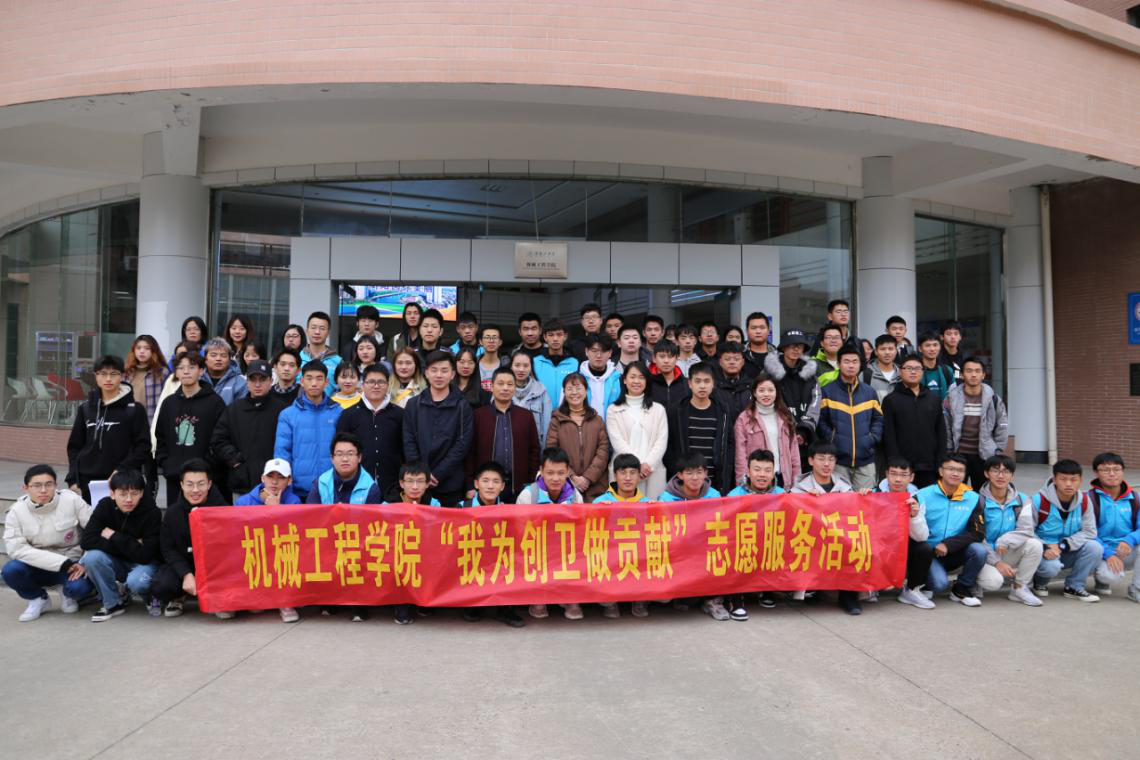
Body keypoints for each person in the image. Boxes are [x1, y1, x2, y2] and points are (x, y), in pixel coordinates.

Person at [2, 464, 93, 622]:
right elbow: (16, 549)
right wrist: (62, 564)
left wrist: (85, 561)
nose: (43, 490)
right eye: (37, 485)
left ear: (56, 485)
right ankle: (38, 599)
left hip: (73, 563)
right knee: (11, 570)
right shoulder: (16, 511)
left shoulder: (71, 500)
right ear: (25, 488)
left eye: (48, 484)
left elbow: (94, 530)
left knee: (80, 588)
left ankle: (66, 592)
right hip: (38, 564)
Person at [65, 354, 152, 503]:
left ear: (122, 376)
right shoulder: (86, 409)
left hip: (122, 483)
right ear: (96, 376)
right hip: (87, 483)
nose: (108, 379)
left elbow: (143, 447)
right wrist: (73, 479)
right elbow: (74, 447)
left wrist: (121, 470)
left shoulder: (134, 409)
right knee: (90, 519)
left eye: (113, 374)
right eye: (103, 374)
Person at [78, 468, 162, 621]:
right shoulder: (105, 506)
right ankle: (113, 603)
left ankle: (151, 597)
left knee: (136, 582)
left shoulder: (152, 513)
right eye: (123, 494)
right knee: (92, 557)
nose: (129, 499)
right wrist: (133, 544)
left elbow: (145, 555)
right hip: (120, 560)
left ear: (142, 493)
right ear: (112, 493)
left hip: (144, 564)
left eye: (134, 493)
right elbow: (87, 541)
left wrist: (113, 536)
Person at [152, 459, 229, 618]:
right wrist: (186, 574)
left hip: (215, 567)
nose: (195, 490)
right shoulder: (172, 513)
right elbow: (168, 549)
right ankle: (178, 597)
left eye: (201, 484)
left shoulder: (224, 510)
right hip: (185, 563)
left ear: (209, 484)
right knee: (162, 585)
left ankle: (220, 599)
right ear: (181, 485)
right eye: (189, 484)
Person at [456, 461, 526, 628]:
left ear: (502, 486)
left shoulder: (508, 511)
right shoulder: (461, 508)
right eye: (485, 481)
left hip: (499, 560)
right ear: (476, 484)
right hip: (472, 560)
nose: (490, 486)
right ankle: (474, 603)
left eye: (495, 482)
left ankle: (505, 608)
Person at [657, 452, 726, 620]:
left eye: (699, 472)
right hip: (679, 547)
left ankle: (713, 601)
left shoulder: (714, 496)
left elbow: (721, 525)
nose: (695, 478)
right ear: (680, 475)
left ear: (705, 474)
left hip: (706, 546)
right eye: (689, 473)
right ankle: (682, 595)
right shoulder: (666, 498)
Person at [1020, 459, 1101, 601]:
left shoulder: (1084, 500)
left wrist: (1064, 545)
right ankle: (1039, 583)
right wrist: (1045, 547)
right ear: (1054, 480)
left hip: (1067, 548)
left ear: (1080, 481)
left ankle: (1074, 587)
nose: (1069, 484)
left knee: (1095, 548)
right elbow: (1026, 530)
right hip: (1044, 551)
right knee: (1051, 567)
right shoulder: (1038, 500)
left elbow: (1090, 531)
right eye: (1063, 479)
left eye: (1073, 479)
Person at [518, 448, 585, 620]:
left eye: (561, 473)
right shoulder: (528, 495)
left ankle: (570, 598)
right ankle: (538, 597)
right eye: (550, 473)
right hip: (537, 550)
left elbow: (581, 531)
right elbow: (519, 533)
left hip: (566, 551)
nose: (555, 478)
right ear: (541, 470)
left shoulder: (575, 496)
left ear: (568, 472)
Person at [914, 454, 988, 607]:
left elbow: (977, 532)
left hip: (956, 551)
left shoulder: (974, 498)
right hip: (928, 553)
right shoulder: (923, 495)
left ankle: (961, 587)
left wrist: (948, 544)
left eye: (960, 470)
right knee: (939, 584)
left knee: (979, 550)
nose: (955, 473)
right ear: (941, 471)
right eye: (951, 469)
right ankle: (923, 582)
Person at [402, 351, 474, 507]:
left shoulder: (462, 406)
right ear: (426, 373)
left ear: (452, 374)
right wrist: (422, 474)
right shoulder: (413, 404)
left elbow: (463, 444)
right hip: (418, 485)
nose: (439, 375)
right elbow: (408, 440)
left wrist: (439, 473)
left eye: (444, 370)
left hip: (450, 483)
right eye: (434, 370)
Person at [154, 351, 227, 504]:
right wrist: (166, 463)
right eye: (181, 368)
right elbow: (160, 437)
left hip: (205, 480)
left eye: (191, 367)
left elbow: (221, 438)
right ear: (176, 373)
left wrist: (207, 467)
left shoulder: (215, 402)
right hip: (175, 477)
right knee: (177, 517)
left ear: (201, 371)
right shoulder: (169, 403)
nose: (186, 371)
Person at [211, 359, 288, 499]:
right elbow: (218, 439)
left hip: (275, 484)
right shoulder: (234, 409)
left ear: (271, 381)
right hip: (242, 484)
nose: (257, 384)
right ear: (247, 382)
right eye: (253, 379)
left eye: (262, 379)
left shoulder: (283, 410)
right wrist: (235, 460)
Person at [976, 455, 1044, 606]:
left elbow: (1026, 529)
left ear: (1012, 476)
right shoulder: (977, 501)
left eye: (1006, 471)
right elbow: (976, 537)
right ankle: (974, 581)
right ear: (986, 473)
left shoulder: (1022, 500)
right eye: (995, 470)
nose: (1001, 476)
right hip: (983, 555)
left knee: (1035, 544)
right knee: (993, 582)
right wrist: (996, 562)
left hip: (1005, 549)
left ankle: (1019, 588)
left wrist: (1004, 540)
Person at [465, 367, 540, 500]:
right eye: (500, 384)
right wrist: (470, 484)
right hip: (487, 487)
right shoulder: (478, 415)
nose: (505, 388)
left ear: (514, 388)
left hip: (519, 486)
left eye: (510, 384)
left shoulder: (526, 416)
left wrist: (531, 482)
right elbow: (470, 452)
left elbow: (534, 451)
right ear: (492, 386)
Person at [274, 360, 344, 499]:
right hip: (298, 491)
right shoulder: (288, 415)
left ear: (326, 382)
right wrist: (285, 485)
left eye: (319, 378)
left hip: (332, 489)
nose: (314, 383)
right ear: (301, 381)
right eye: (309, 378)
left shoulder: (338, 412)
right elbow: (282, 453)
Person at [382, 461, 440, 626]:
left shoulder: (435, 504)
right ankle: (402, 604)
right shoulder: (387, 505)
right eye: (410, 481)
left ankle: (424, 601)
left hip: (424, 552)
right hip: (397, 554)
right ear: (401, 483)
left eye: (420, 481)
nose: (415, 487)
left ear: (427, 484)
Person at [817, 345, 882, 491]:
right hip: (838, 461)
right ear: (838, 364)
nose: (851, 365)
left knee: (866, 502)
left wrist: (872, 438)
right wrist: (832, 438)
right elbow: (820, 421)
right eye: (846, 361)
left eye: (855, 361)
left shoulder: (869, 392)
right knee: (839, 502)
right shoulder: (827, 391)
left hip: (866, 460)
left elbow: (878, 419)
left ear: (860, 364)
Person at [665, 362, 735, 495]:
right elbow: (669, 446)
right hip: (685, 481)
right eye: (697, 381)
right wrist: (678, 471)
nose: (702, 386)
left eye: (707, 381)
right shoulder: (677, 411)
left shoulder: (723, 411)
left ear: (713, 384)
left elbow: (729, 444)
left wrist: (726, 472)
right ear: (690, 383)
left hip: (715, 481)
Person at [875, 458, 936, 610]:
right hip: (878, 543)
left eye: (903, 475)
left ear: (911, 477)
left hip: (904, 544)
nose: (898, 479)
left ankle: (912, 590)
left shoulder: (917, 498)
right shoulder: (874, 493)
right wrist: (862, 497)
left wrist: (914, 516)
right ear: (886, 474)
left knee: (924, 549)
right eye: (893, 474)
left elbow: (922, 537)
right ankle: (871, 586)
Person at [336, 364, 404, 497]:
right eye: (371, 382)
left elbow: (406, 448)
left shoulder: (400, 414)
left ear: (387, 385)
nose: (376, 386)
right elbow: (340, 449)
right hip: (357, 485)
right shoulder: (348, 415)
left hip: (393, 484)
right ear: (362, 385)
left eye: (381, 382)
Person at [543, 373, 611, 500]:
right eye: (570, 389)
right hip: (566, 486)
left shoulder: (597, 420)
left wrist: (588, 478)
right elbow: (552, 451)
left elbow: (603, 451)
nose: (574, 392)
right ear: (564, 392)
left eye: (578, 388)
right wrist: (572, 477)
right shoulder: (556, 420)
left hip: (596, 486)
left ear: (586, 391)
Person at [943, 356, 1009, 489]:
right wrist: (949, 451)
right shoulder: (951, 398)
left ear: (983, 375)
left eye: (977, 371)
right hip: (958, 454)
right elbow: (946, 426)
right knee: (955, 492)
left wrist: (997, 451)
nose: (973, 375)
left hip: (984, 455)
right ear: (962, 374)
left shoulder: (993, 399)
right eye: (969, 371)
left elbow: (1002, 426)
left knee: (983, 492)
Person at [882, 355, 946, 489]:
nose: (913, 372)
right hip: (901, 469)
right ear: (900, 371)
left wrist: (940, 462)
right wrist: (894, 462)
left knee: (926, 500)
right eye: (909, 368)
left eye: (917, 368)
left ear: (923, 372)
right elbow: (888, 434)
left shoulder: (933, 399)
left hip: (929, 466)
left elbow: (941, 432)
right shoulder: (891, 400)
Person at [606, 362, 669, 498]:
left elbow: (661, 441)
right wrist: (637, 465)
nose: (636, 381)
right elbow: (617, 442)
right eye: (632, 377)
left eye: (641, 377)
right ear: (624, 380)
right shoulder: (613, 410)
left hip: (653, 471)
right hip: (624, 471)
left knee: (654, 509)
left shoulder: (658, 410)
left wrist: (648, 465)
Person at [763, 329, 820, 468]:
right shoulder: (769, 374)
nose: (796, 349)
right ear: (783, 347)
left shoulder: (811, 375)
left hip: (806, 437)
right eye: (791, 345)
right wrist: (789, 427)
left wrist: (804, 430)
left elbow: (815, 403)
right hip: (776, 438)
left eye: (800, 346)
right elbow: (766, 403)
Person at [1087, 452, 1140, 602]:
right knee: (1109, 576)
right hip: (1101, 551)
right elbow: (1087, 532)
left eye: (1116, 469)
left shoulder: (1135, 498)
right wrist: (1107, 553)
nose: (1112, 474)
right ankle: (1101, 578)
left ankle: (1136, 588)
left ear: (1123, 471)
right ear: (1096, 472)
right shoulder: (1089, 499)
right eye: (1105, 470)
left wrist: (1129, 540)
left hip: (1125, 550)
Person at [733, 374, 801, 491]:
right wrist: (742, 482)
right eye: (761, 390)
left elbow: (794, 452)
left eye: (770, 390)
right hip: (756, 479)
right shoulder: (744, 419)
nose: (766, 394)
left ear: (776, 392)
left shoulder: (786, 417)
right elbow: (740, 454)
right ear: (754, 393)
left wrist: (797, 483)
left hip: (782, 476)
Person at [305, 432, 376, 504]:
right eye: (339, 454)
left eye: (350, 454)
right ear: (332, 458)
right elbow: (312, 511)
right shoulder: (320, 484)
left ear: (359, 457)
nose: (345, 459)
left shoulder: (370, 488)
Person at [533, 318, 578, 409]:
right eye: (551, 335)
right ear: (545, 337)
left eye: (559, 334)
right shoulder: (535, 361)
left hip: (567, 413)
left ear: (565, 336)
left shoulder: (574, 362)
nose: (555, 339)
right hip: (541, 412)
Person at [125, 335, 169, 424]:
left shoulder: (162, 373)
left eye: (147, 348)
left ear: (154, 351)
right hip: (129, 422)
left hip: (152, 422)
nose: (142, 351)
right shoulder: (126, 373)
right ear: (134, 350)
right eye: (138, 348)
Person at [510, 351, 552, 440]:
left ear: (531, 367)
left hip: (534, 445)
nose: (521, 369)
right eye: (517, 365)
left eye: (526, 366)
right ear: (511, 366)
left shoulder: (541, 391)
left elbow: (547, 425)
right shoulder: (502, 390)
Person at [579, 333, 621, 420]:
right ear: (586, 351)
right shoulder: (576, 379)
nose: (598, 355)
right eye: (594, 351)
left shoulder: (618, 379)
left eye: (603, 351)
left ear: (610, 353)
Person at [299, 311, 343, 390]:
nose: (317, 332)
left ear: (328, 333)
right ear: (307, 331)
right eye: (313, 328)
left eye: (322, 328)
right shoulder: (298, 358)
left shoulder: (338, 361)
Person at [713, 341, 756, 420]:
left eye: (736, 359)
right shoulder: (712, 386)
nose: (732, 362)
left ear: (742, 362)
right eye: (727, 359)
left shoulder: (752, 386)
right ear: (720, 362)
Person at [200, 337, 248, 405]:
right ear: (205, 359)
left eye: (223, 355)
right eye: (213, 355)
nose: (218, 359)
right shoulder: (197, 380)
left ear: (229, 359)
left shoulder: (241, 382)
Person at [234, 458, 302, 506]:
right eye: (270, 476)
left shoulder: (294, 502)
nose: (274, 482)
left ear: (289, 481)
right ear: (262, 478)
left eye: (281, 477)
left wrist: (276, 509)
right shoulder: (243, 502)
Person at [647, 339, 689, 410]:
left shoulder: (687, 384)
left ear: (677, 358)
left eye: (670, 356)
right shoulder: (646, 383)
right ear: (654, 358)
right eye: (662, 356)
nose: (666, 361)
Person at [918, 332, 954, 400]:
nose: (932, 349)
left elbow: (953, 396)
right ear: (920, 349)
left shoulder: (947, 370)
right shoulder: (914, 371)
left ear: (940, 347)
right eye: (927, 345)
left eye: (935, 345)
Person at [864, 334, 899, 403]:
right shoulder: (866, 374)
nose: (887, 352)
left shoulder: (902, 374)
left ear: (896, 351)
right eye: (882, 349)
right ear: (876, 352)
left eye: (891, 349)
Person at [476, 324, 507, 389]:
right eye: (487, 337)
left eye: (495, 337)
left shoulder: (507, 365)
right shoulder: (474, 363)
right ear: (480, 341)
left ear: (500, 342)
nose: (491, 341)